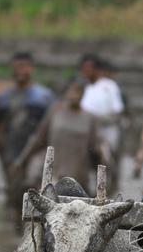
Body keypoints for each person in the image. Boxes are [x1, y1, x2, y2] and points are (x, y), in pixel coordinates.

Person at [0, 51, 54, 217]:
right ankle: (15, 234)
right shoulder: (4, 98)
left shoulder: (43, 97)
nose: (20, 70)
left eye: (24, 66)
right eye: (17, 67)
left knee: (35, 189)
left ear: (31, 68)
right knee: (14, 196)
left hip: (37, 153)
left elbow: (54, 125)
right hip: (10, 153)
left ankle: (36, 232)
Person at [13, 78, 104, 208]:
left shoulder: (90, 118)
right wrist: (21, 161)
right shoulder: (55, 112)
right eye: (72, 91)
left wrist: (101, 157)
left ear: (83, 94)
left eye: (78, 92)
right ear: (67, 92)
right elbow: (38, 139)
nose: (75, 95)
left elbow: (95, 148)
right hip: (54, 174)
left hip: (79, 176)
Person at [78, 53, 124, 193]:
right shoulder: (85, 88)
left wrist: (96, 119)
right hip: (87, 134)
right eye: (83, 68)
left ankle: (109, 192)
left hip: (106, 133)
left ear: (97, 69)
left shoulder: (108, 86)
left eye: (89, 68)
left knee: (106, 164)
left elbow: (117, 111)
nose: (86, 72)